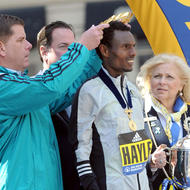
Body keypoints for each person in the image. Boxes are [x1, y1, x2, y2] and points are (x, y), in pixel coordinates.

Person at [0, 14, 109, 190]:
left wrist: (95, 53)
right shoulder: (4, 86)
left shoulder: (23, 87)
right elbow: (49, 85)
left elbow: (67, 89)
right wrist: (81, 47)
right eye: (20, 40)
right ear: (1, 48)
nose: (29, 45)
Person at [69, 20, 152, 190]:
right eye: (125, 47)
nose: (133, 52)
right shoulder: (89, 91)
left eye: (134, 46)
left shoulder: (134, 91)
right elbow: (81, 152)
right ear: (105, 50)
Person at [37, 20, 101, 190]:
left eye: (74, 47)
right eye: (64, 47)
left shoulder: (86, 89)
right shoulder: (34, 93)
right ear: (44, 52)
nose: (71, 53)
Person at [136, 53, 190, 190]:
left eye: (169, 77)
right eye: (157, 76)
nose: (162, 82)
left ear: (181, 85)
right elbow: (127, 164)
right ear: (148, 81)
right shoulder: (136, 113)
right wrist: (151, 163)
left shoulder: (188, 112)